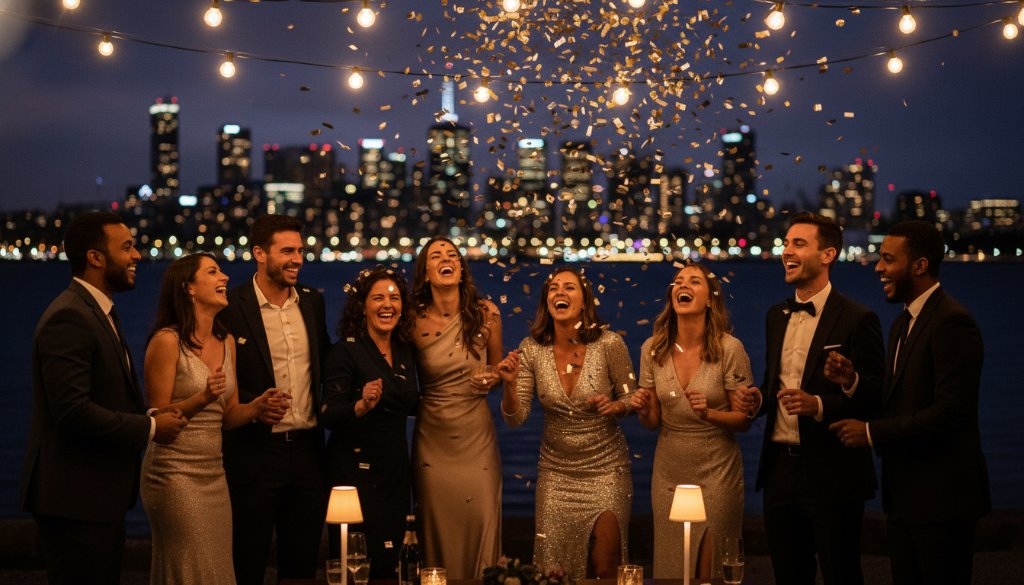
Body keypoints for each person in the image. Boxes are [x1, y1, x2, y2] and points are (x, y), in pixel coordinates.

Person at [20, 211, 187, 585]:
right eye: (126, 247)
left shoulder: (96, 311)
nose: (137, 256)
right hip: (74, 498)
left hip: (93, 497)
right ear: (95, 258)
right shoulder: (71, 317)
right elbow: (72, 411)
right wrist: (150, 427)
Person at [830, 220, 990, 585]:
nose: (878, 267)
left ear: (919, 266)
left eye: (888, 259)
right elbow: (902, 402)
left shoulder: (952, 322)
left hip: (943, 499)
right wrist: (851, 382)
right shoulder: (902, 324)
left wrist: (871, 433)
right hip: (905, 496)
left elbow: (951, 413)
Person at [733, 212, 884, 585]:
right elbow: (773, 384)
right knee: (787, 574)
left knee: (841, 573)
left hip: (833, 471)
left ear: (828, 254)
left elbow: (875, 398)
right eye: (786, 243)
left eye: (799, 244)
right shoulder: (776, 315)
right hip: (780, 470)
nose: (787, 251)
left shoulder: (857, 318)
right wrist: (758, 400)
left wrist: (821, 403)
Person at [141, 253, 281, 584]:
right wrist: (202, 397)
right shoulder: (167, 341)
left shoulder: (227, 340)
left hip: (214, 475)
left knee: (216, 569)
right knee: (190, 568)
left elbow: (229, 416)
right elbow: (159, 421)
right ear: (188, 287)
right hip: (174, 475)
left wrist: (258, 407)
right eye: (213, 272)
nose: (226, 278)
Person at [499, 266, 635, 579]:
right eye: (553, 288)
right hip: (556, 475)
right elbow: (515, 418)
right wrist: (508, 384)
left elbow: (632, 396)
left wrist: (616, 406)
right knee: (553, 572)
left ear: (585, 302)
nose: (560, 292)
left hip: (607, 471)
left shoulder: (609, 343)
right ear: (546, 302)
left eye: (569, 287)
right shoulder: (530, 349)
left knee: (605, 569)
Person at [221, 214, 332, 585]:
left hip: (308, 452)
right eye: (287, 251)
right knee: (245, 563)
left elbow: (326, 363)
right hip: (254, 453)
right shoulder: (231, 306)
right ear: (259, 253)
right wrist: (254, 407)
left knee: (301, 567)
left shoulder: (312, 303)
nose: (297, 258)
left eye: (300, 250)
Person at [630, 263, 754, 580]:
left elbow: (744, 421)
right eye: (679, 281)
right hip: (670, 469)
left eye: (694, 281)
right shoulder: (651, 349)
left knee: (709, 570)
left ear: (711, 299)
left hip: (718, 469)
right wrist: (644, 409)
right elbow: (652, 422)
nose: (683, 285)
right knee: (674, 568)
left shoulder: (730, 348)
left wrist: (709, 414)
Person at [410, 236, 505, 579]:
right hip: (432, 438)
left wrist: (494, 379)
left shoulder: (487, 313)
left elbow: (497, 370)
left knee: (481, 519)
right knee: (436, 528)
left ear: (462, 270)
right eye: (436, 256)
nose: (446, 259)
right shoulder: (412, 320)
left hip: (476, 436)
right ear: (425, 274)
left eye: (452, 255)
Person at [323, 266, 420, 578]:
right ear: (362, 305)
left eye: (394, 297)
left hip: (394, 468)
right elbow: (328, 414)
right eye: (377, 297)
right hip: (355, 472)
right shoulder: (346, 351)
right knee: (357, 561)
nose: (387, 304)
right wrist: (361, 405)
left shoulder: (405, 350)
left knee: (395, 560)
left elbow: (413, 402)